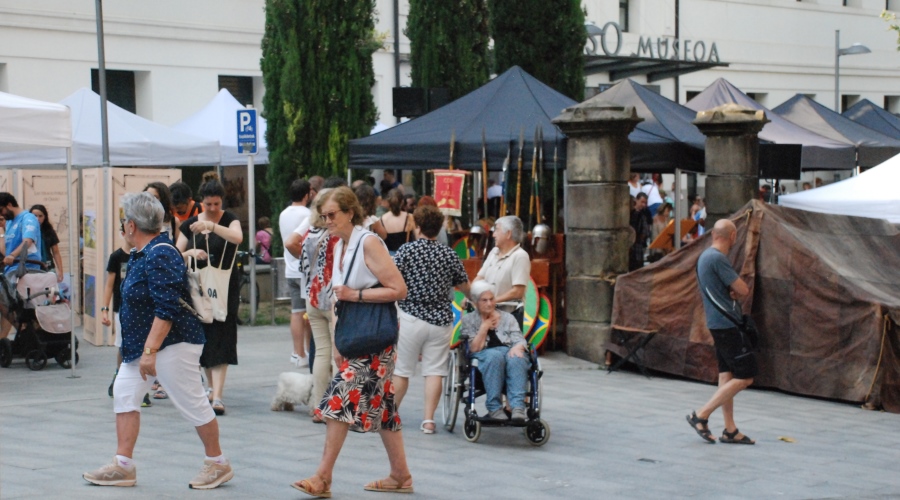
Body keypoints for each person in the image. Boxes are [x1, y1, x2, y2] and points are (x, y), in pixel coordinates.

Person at [83, 192, 233, 489]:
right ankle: (123, 465)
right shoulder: (144, 252)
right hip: (144, 346)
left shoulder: (160, 252)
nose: (123, 225)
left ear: (131, 225)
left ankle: (218, 463)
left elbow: (166, 309)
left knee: (191, 401)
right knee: (125, 394)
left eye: (124, 220)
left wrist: (150, 351)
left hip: (171, 344)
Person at [293, 186, 411, 497]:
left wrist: (356, 295)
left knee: (338, 399)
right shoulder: (337, 245)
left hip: (375, 338)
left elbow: (399, 289)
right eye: (323, 216)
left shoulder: (369, 242)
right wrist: (335, 345)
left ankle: (322, 477)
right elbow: (337, 297)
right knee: (384, 408)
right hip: (354, 336)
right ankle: (400, 475)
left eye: (332, 215)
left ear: (350, 212)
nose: (327, 221)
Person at [392, 205, 470, 434]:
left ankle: (391, 415)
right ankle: (428, 421)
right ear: (438, 229)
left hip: (410, 317)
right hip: (440, 320)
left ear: (417, 226)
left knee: (402, 370)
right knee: (435, 371)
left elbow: (393, 280)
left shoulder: (406, 252)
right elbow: (464, 286)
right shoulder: (448, 254)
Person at [175, 178, 243, 416]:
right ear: (200, 202)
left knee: (222, 334)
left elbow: (237, 238)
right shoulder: (191, 223)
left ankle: (218, 395)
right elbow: (176, 253)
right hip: (199, 289)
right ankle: (211, 389)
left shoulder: (229, 219)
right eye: (208, 204)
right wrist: (191, 251)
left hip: (225, 286)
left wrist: (212, 227)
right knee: (204, 336)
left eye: (216, 204)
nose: (212, 208)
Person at [686, 219, 756, 446]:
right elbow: (743, 289)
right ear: (732, 236)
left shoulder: (705, 257)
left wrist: (730, 291)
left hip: (717, 323)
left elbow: (723, 289)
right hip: (727, 325)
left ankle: (730, 429)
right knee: (745, 376)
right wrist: (735, 290)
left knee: (726, 376)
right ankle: (701, 415)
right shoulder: (717, 258)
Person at [286, 189, 338, 422]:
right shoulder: (336, 235)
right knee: (338, 355)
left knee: (321, 353)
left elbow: (291, 243)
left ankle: (318, 406)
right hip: (333, 299)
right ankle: (335, 407)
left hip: (312, 297)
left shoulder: (310, 233)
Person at [460, 281, 530, 422]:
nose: (489, 303)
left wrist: (518, 347)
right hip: (484, 355)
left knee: (517, 357)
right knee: (495, 356)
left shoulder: (508, 318)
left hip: (508, 352)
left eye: (492, 299)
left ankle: (517, 408)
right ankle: (494, 408)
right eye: (484, 300)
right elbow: (473, 348)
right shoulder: (469, 320)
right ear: (475, 302)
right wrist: (484, 328)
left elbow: (519, 339)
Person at [101, 226, 150, 406]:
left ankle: (141, 387)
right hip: (122, 309)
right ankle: (120, 375)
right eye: (129, 232)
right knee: (124, 346)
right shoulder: (116, 257)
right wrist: (104, 309)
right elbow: (109, 285)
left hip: (143, 309)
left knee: (143, 346)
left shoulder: (145, 254)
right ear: (123, 233)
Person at [279, 179, 312, 368]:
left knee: (297, 311)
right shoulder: (308, 214)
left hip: (290, 267)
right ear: (307, 195)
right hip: (304, 269)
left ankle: (298, 352)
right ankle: (305, 350)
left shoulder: (284, 214)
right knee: (308, 313)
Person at [474, 215, 530, 327]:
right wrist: (469, 295)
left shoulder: (520, 256)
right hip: (485, 316)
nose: (493, 234)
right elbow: (480, 277)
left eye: (497, 230)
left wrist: (491, 301)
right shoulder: (494, 252)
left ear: (508, 234)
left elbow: (518, 291)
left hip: (508, 319)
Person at [29, 204, 64, 282]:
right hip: (31, 267)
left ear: (45, 217)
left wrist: (60, 271)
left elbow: (56, 252)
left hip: (48, 266)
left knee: (50, 291)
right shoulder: (26, 231)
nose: (37, 218)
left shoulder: (49, 231)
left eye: (40, 216)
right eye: (34, 216)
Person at [379, 188, 416, 255]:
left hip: (390, 257)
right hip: (407, 255)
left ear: (388, 202)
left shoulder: (381, 220)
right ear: (402, 202)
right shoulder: (410, 217)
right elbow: (416, 237)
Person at [629, 193, 651, 272]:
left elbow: (645, 230)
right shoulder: (632, 214)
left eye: (645, 203)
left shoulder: (645, 214)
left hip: (639, 246)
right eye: (642, 202)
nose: (643, 205)